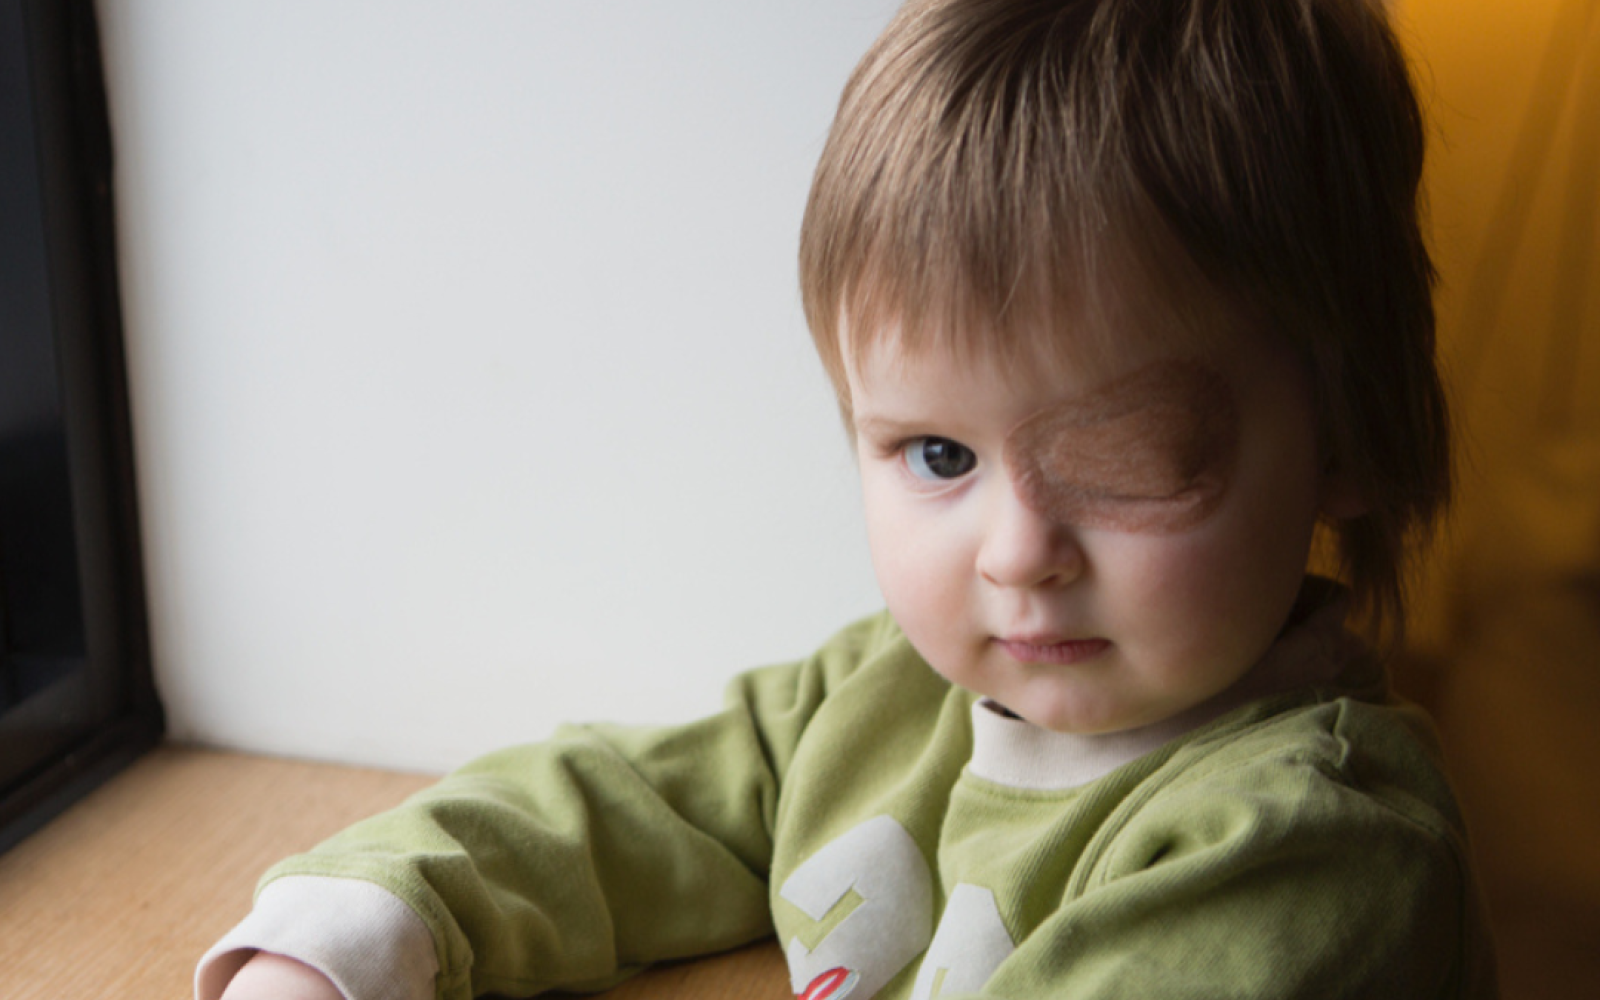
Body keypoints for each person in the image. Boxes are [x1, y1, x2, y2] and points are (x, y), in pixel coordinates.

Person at [199, 1, 1498, 997]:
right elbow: (627, 803)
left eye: (1123, 459)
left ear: (1347, 431)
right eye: (939, 455)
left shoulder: (1315, 846)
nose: (1017, 553)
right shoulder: (888, 697)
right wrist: (354, 933)